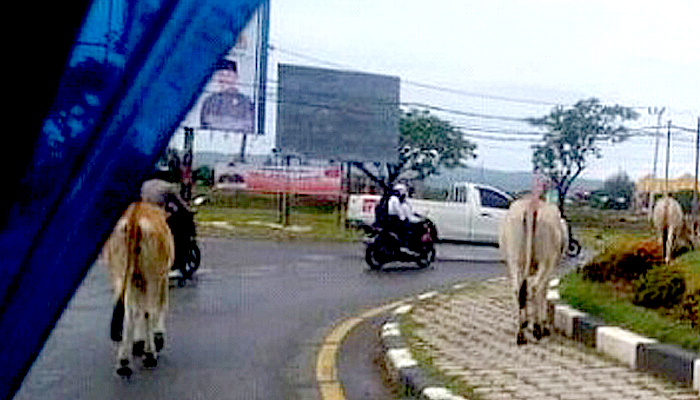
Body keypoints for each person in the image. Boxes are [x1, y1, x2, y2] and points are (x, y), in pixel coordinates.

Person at [386, 183, 422, 251]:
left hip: (391, 219)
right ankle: (404, 245)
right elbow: (399, 211)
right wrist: (404, 219)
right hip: (395, 220)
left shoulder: (391, 198)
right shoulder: (395, 200)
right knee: (408, 231)